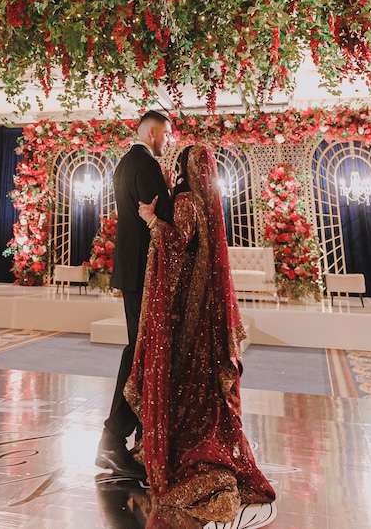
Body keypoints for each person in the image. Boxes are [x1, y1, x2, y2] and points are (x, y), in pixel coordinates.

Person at [125, 144, 276, 525]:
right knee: (205, 383)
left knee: (183, 381)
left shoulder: (187, 202)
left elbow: (177, 246)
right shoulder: (209, 203)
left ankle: (180, 445)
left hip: (184, 314)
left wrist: (151, 220)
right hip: (205, 311)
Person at [96, 110, 175, 480]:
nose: (168, 142)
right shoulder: (144, 163)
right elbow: (169, 217)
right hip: (144, 271)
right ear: (154, 131)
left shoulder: (124, 163)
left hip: (132, 269)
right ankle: (113, 439)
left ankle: (139, 438)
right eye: (167, 136)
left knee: (141, 350)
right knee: (141, 352)